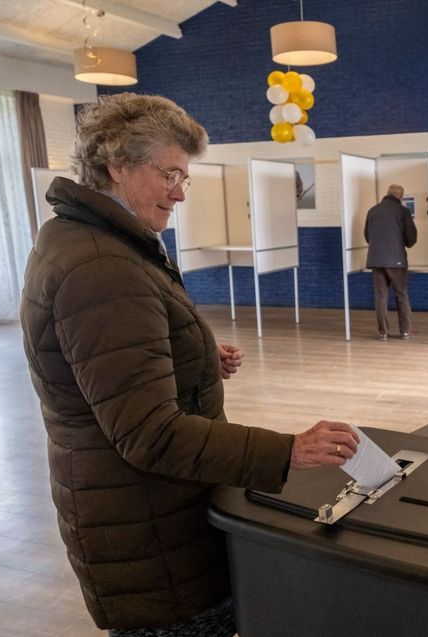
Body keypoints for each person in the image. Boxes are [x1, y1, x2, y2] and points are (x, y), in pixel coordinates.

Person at [19, 93, 359, 637]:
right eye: (169, 173)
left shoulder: (84, 240)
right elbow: (150, 435)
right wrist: (288, 449)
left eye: (184, 176)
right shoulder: (102, 267)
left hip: (140, 511)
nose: (179, 192)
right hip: (148, 529)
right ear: (117, 165)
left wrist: (194, 359)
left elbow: (109, 370)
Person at [364, 184, 417, 340]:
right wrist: (403, 244)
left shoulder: (372, 211)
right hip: (396, 260)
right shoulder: (403, 211)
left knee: (381, 296)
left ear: (387, 194)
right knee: (401, 294)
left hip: (376, 259)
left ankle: (383, 333)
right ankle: (405, 331)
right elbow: (411, 237)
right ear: (400, 196)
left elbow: (367, 236)